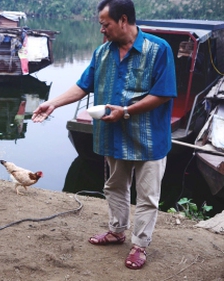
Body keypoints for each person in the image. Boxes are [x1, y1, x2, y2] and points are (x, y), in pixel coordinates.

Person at [32, 0, 176, 270]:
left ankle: (139, 245)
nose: (102, 30)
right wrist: (53, 103)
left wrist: (127, 111)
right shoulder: (102, 53)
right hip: (113, 135)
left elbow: (163, 93)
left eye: (105, 24)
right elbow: (83, 86)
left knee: (147, 196)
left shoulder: (158, 50)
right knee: (114, 186)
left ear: (123, 20)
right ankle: (117, 231)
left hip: (149, 138)